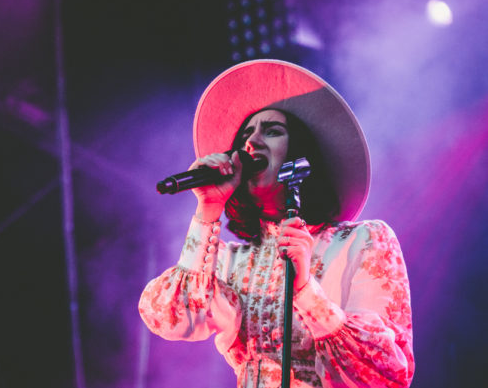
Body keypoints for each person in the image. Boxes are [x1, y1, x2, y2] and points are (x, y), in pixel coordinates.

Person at [138, 60, 414, 388]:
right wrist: (208, 209)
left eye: (271, 131)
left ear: (301, 154)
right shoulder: (228, 261)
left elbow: (385, 374)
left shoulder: (363, 241)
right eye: (246, 134)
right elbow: (174, 319)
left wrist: (306, 292)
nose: (251, 142)